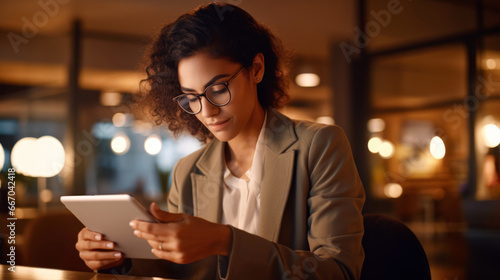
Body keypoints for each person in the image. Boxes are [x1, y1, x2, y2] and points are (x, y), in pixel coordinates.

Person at [76, 2, 365, 279]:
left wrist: (225, 242)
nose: (207, 111)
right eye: (192, 98)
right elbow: (180, 271)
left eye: (217, 88)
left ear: (257, 69)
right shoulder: (188, 171)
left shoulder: (319, 146)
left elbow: (338, 272)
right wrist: (118, 258)